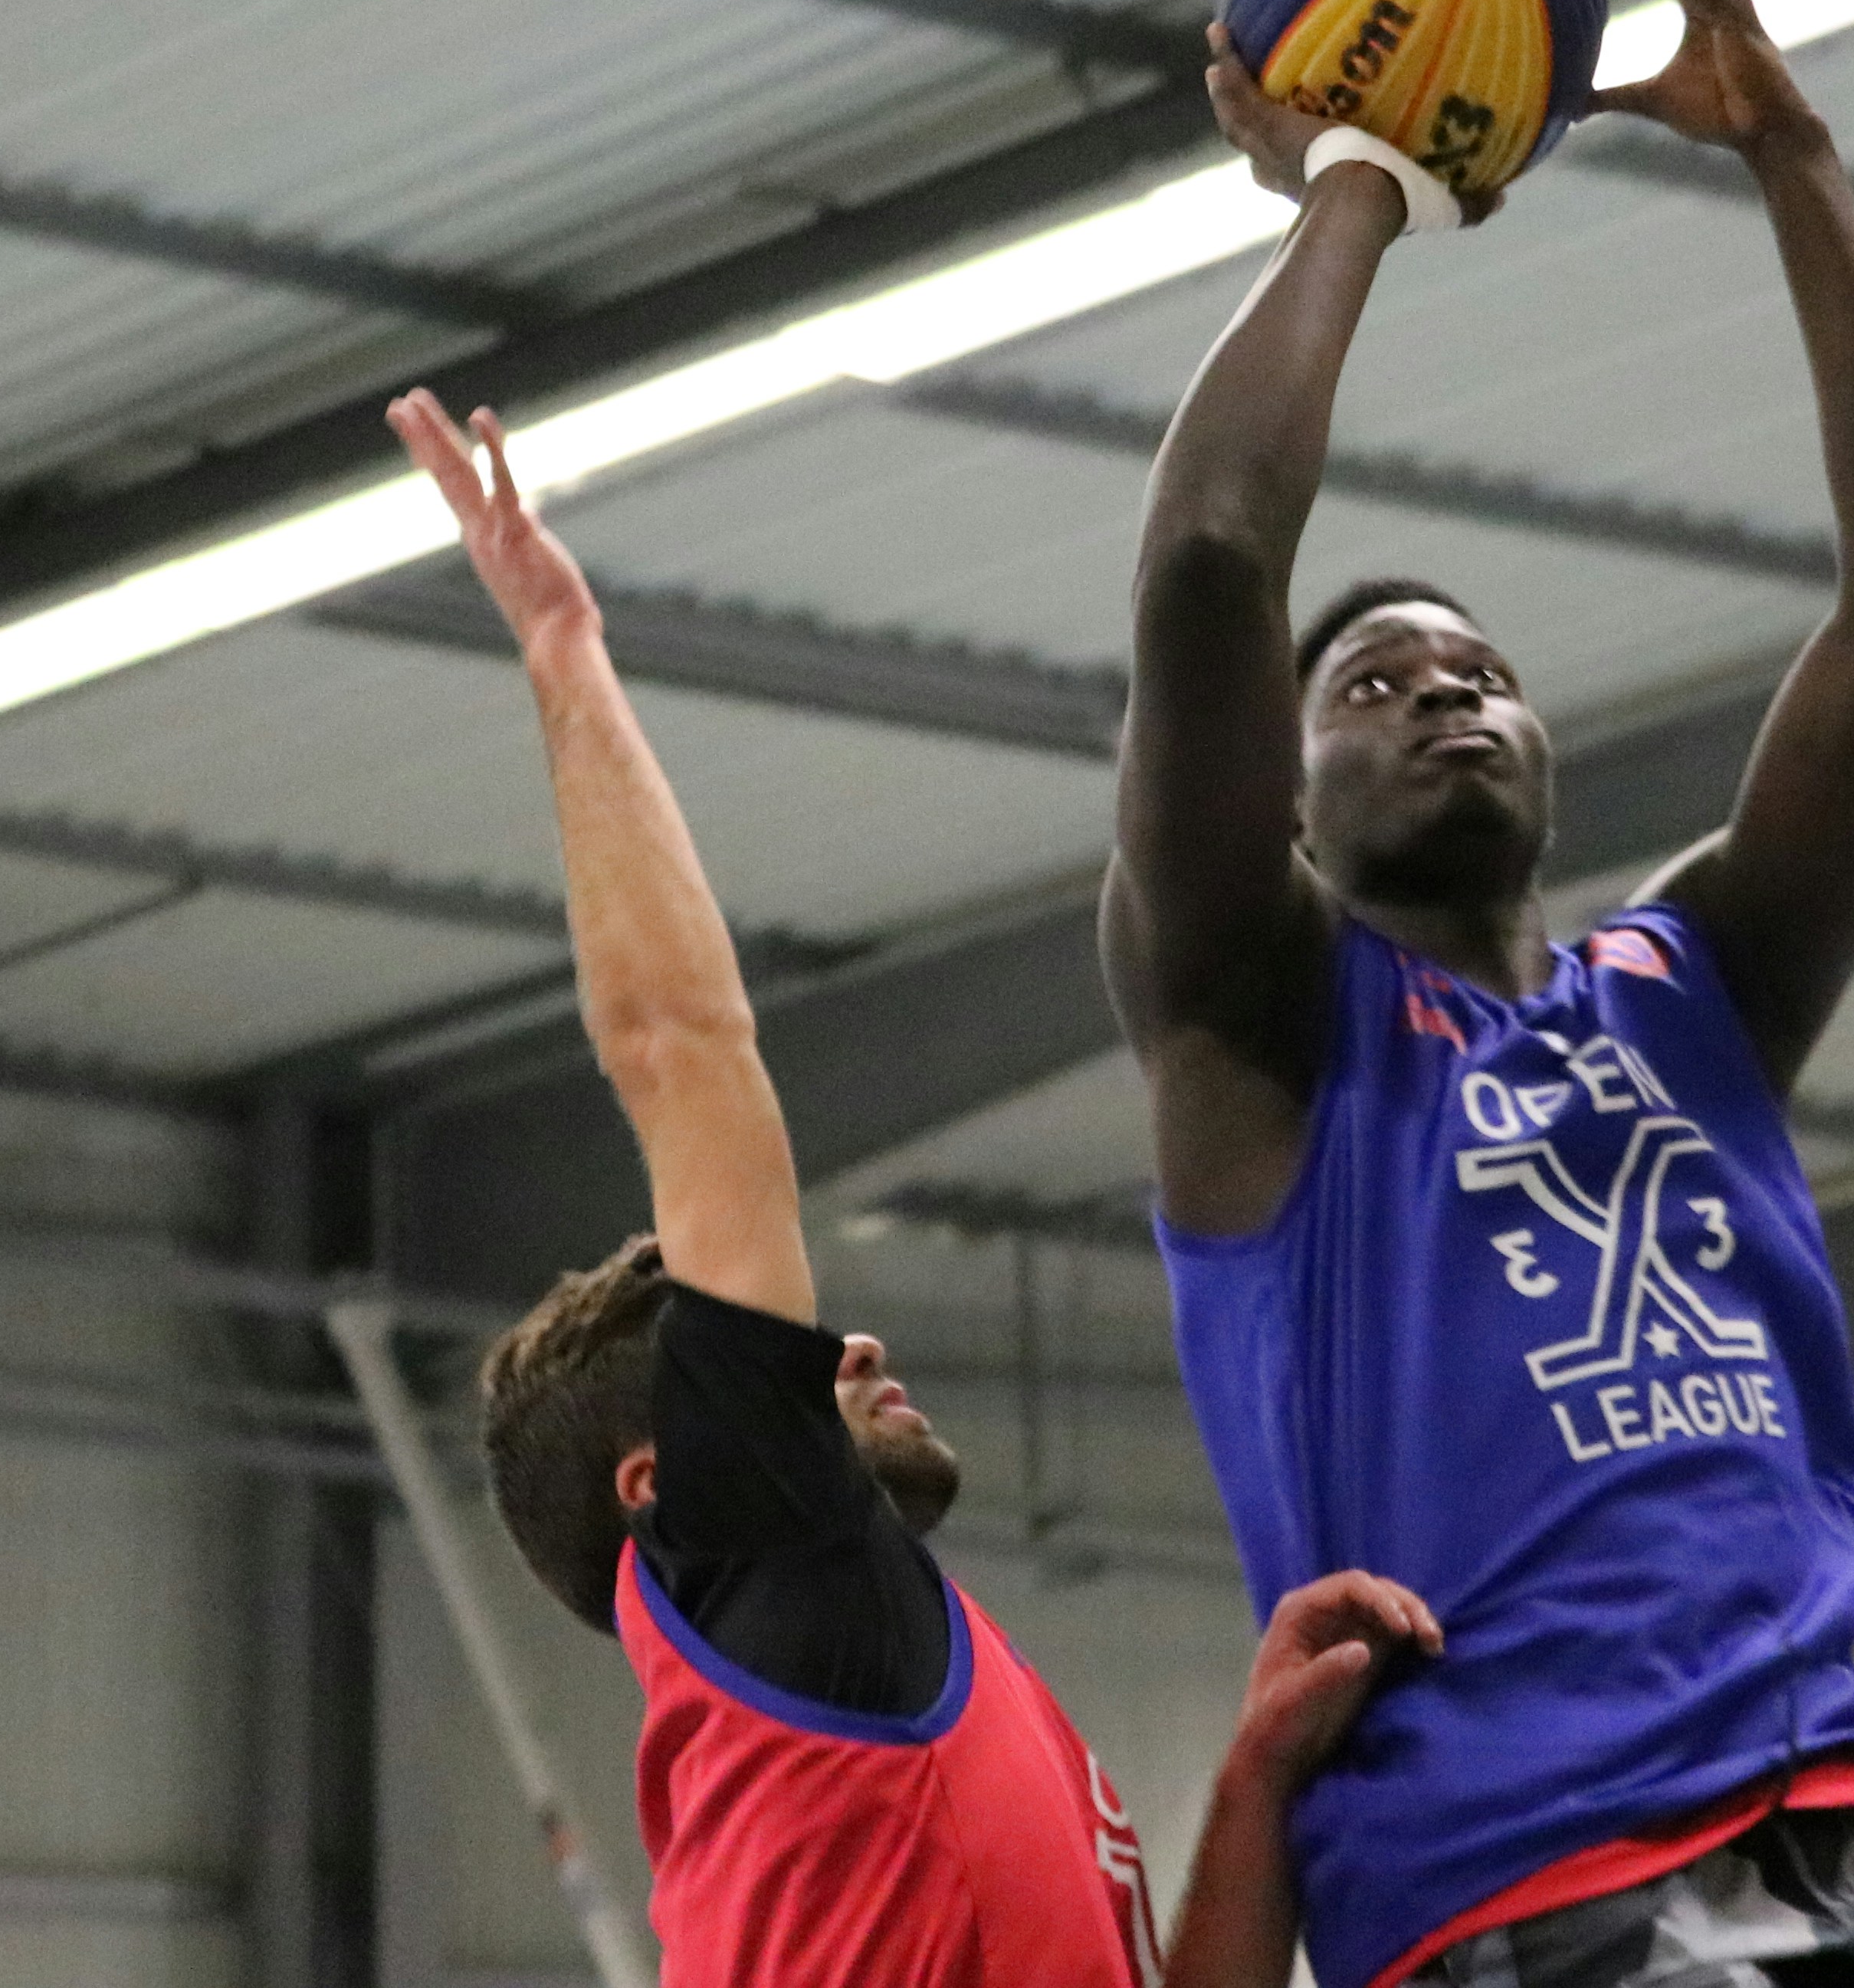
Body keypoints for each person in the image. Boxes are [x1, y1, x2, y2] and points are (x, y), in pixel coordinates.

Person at [1104, 0, 1854, 1988]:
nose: (1446, 688)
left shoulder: (1700, 983)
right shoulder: (1262, 1029)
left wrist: (1795, 160)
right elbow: (1201, 574)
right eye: (1374, 681)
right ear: (1293, 789)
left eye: (1484, 670)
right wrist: (1365, 173)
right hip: (1513, 1867)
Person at [392, 389, 1437, 1988]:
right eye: (787, 1357)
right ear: (670, 1480)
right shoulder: (772, 1564)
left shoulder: (898, 1698)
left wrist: (1256, 1777)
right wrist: (561, 648)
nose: (846, 1344)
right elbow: (681, 1046)